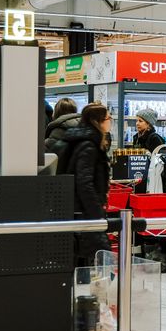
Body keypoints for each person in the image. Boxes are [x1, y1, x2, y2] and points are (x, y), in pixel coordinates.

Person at [60, 103, 112, 266]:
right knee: (96, 255)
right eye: (108, 118)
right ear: (98, 121)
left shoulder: (86, 141)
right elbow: (84, 182)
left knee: (85, 255)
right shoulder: (89, 145)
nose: (110, 121)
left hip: (80, 209)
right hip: (84, 211)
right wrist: (96, 211)